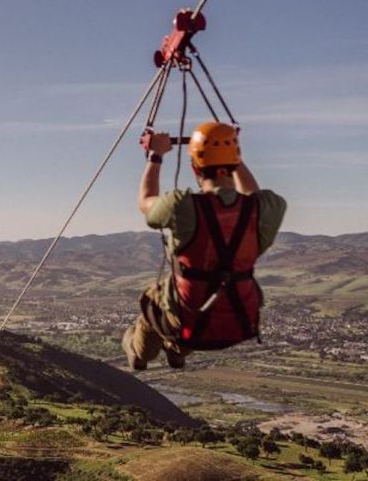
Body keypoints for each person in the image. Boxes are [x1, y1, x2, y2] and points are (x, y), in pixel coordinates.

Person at [122, 122, 286, 370]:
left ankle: (138, 353)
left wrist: (155, 155)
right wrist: (233, 154)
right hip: (238, 321)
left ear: (195, 167)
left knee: (152, 302)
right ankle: (177, 351)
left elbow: (146, 203)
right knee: (193, 304)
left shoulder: (184, 207)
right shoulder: (266, 209)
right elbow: (254, 195)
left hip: (186, 321)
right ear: (235, 162)